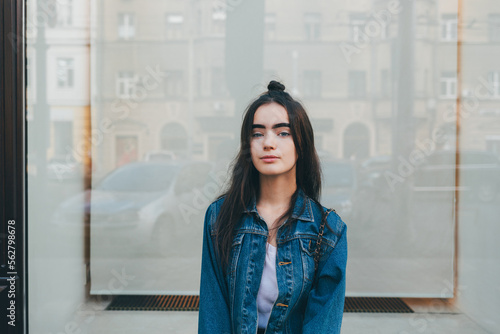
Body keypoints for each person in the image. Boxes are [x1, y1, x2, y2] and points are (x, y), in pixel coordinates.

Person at [198, 81, 348, 334]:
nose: (268, 143)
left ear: (301, 144)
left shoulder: (329, 230)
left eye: (282, 132)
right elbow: (214, 314)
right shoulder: (220, 217)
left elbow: (322, 325)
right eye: (257, 133)